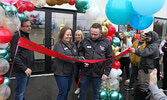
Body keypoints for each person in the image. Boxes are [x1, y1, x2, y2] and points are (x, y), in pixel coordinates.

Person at [78, 23, 113, 100]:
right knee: (82, 92)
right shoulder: (86, 40)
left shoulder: (106, 42)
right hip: (85, 72)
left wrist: (106, 73)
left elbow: (110, 58)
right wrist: (83, 60)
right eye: (92, 34)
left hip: (98, 74)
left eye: (95, 34)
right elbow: (80, 52)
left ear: (100, 33)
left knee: (96, 94)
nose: (93, 36)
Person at [130, 31, 159, 100]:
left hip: (148, 72)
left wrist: (135, 51)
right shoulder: (149, 44)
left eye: (149, 36)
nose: (147, 37)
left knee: (146, 87)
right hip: (145, 70)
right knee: (146, 87)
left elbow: (144, 52)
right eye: (147, 36)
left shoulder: (153, 46)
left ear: (153, 38)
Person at [10, 19, 34, 100]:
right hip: (22, 70)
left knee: (21, 90)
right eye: (27, 26)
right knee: (20, 92)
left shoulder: (25, 36)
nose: (29, 28)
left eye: (30, 26)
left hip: (27, 69)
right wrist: (25, 68)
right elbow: (14, 55)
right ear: (21, 27)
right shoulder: (17, 37)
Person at [53, 27, 79, 100]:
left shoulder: (73, 44)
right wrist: (78, 59)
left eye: (70, 35)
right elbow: (63, 57)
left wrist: (82, 60)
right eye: (67, 35)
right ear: (62, 34)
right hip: (61, 73)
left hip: (70, 73)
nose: (69, 36)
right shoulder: (58, 44)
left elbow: (75, 55)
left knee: (67, 91)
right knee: (63, 92)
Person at [74, 30, 84, 95]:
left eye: (79, 35)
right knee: (75, 76)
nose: (77, 36)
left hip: (83, 63)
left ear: (81, 36)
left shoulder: (84, 43)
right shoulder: (74, 43)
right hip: (76, 62)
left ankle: (81, 90)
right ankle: (79, 87)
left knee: (82, 78)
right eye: (76, 35)